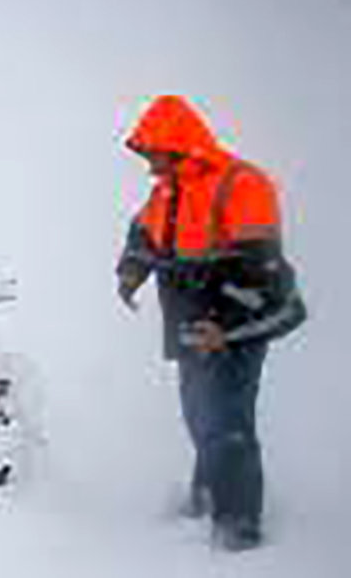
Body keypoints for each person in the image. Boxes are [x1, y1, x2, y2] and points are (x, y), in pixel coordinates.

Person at [116, 96, 306, 551]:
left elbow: (259, 272)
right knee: (200, 414)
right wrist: (131, 271)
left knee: (227, 421)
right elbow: (145, 232)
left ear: (177, 146)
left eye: (153, 155)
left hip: (237, 323)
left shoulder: (241, 185)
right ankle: (206, 498)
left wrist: (226, 327)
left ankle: (238, 527)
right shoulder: (168, 191)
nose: (149, 167)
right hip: (193, 325)